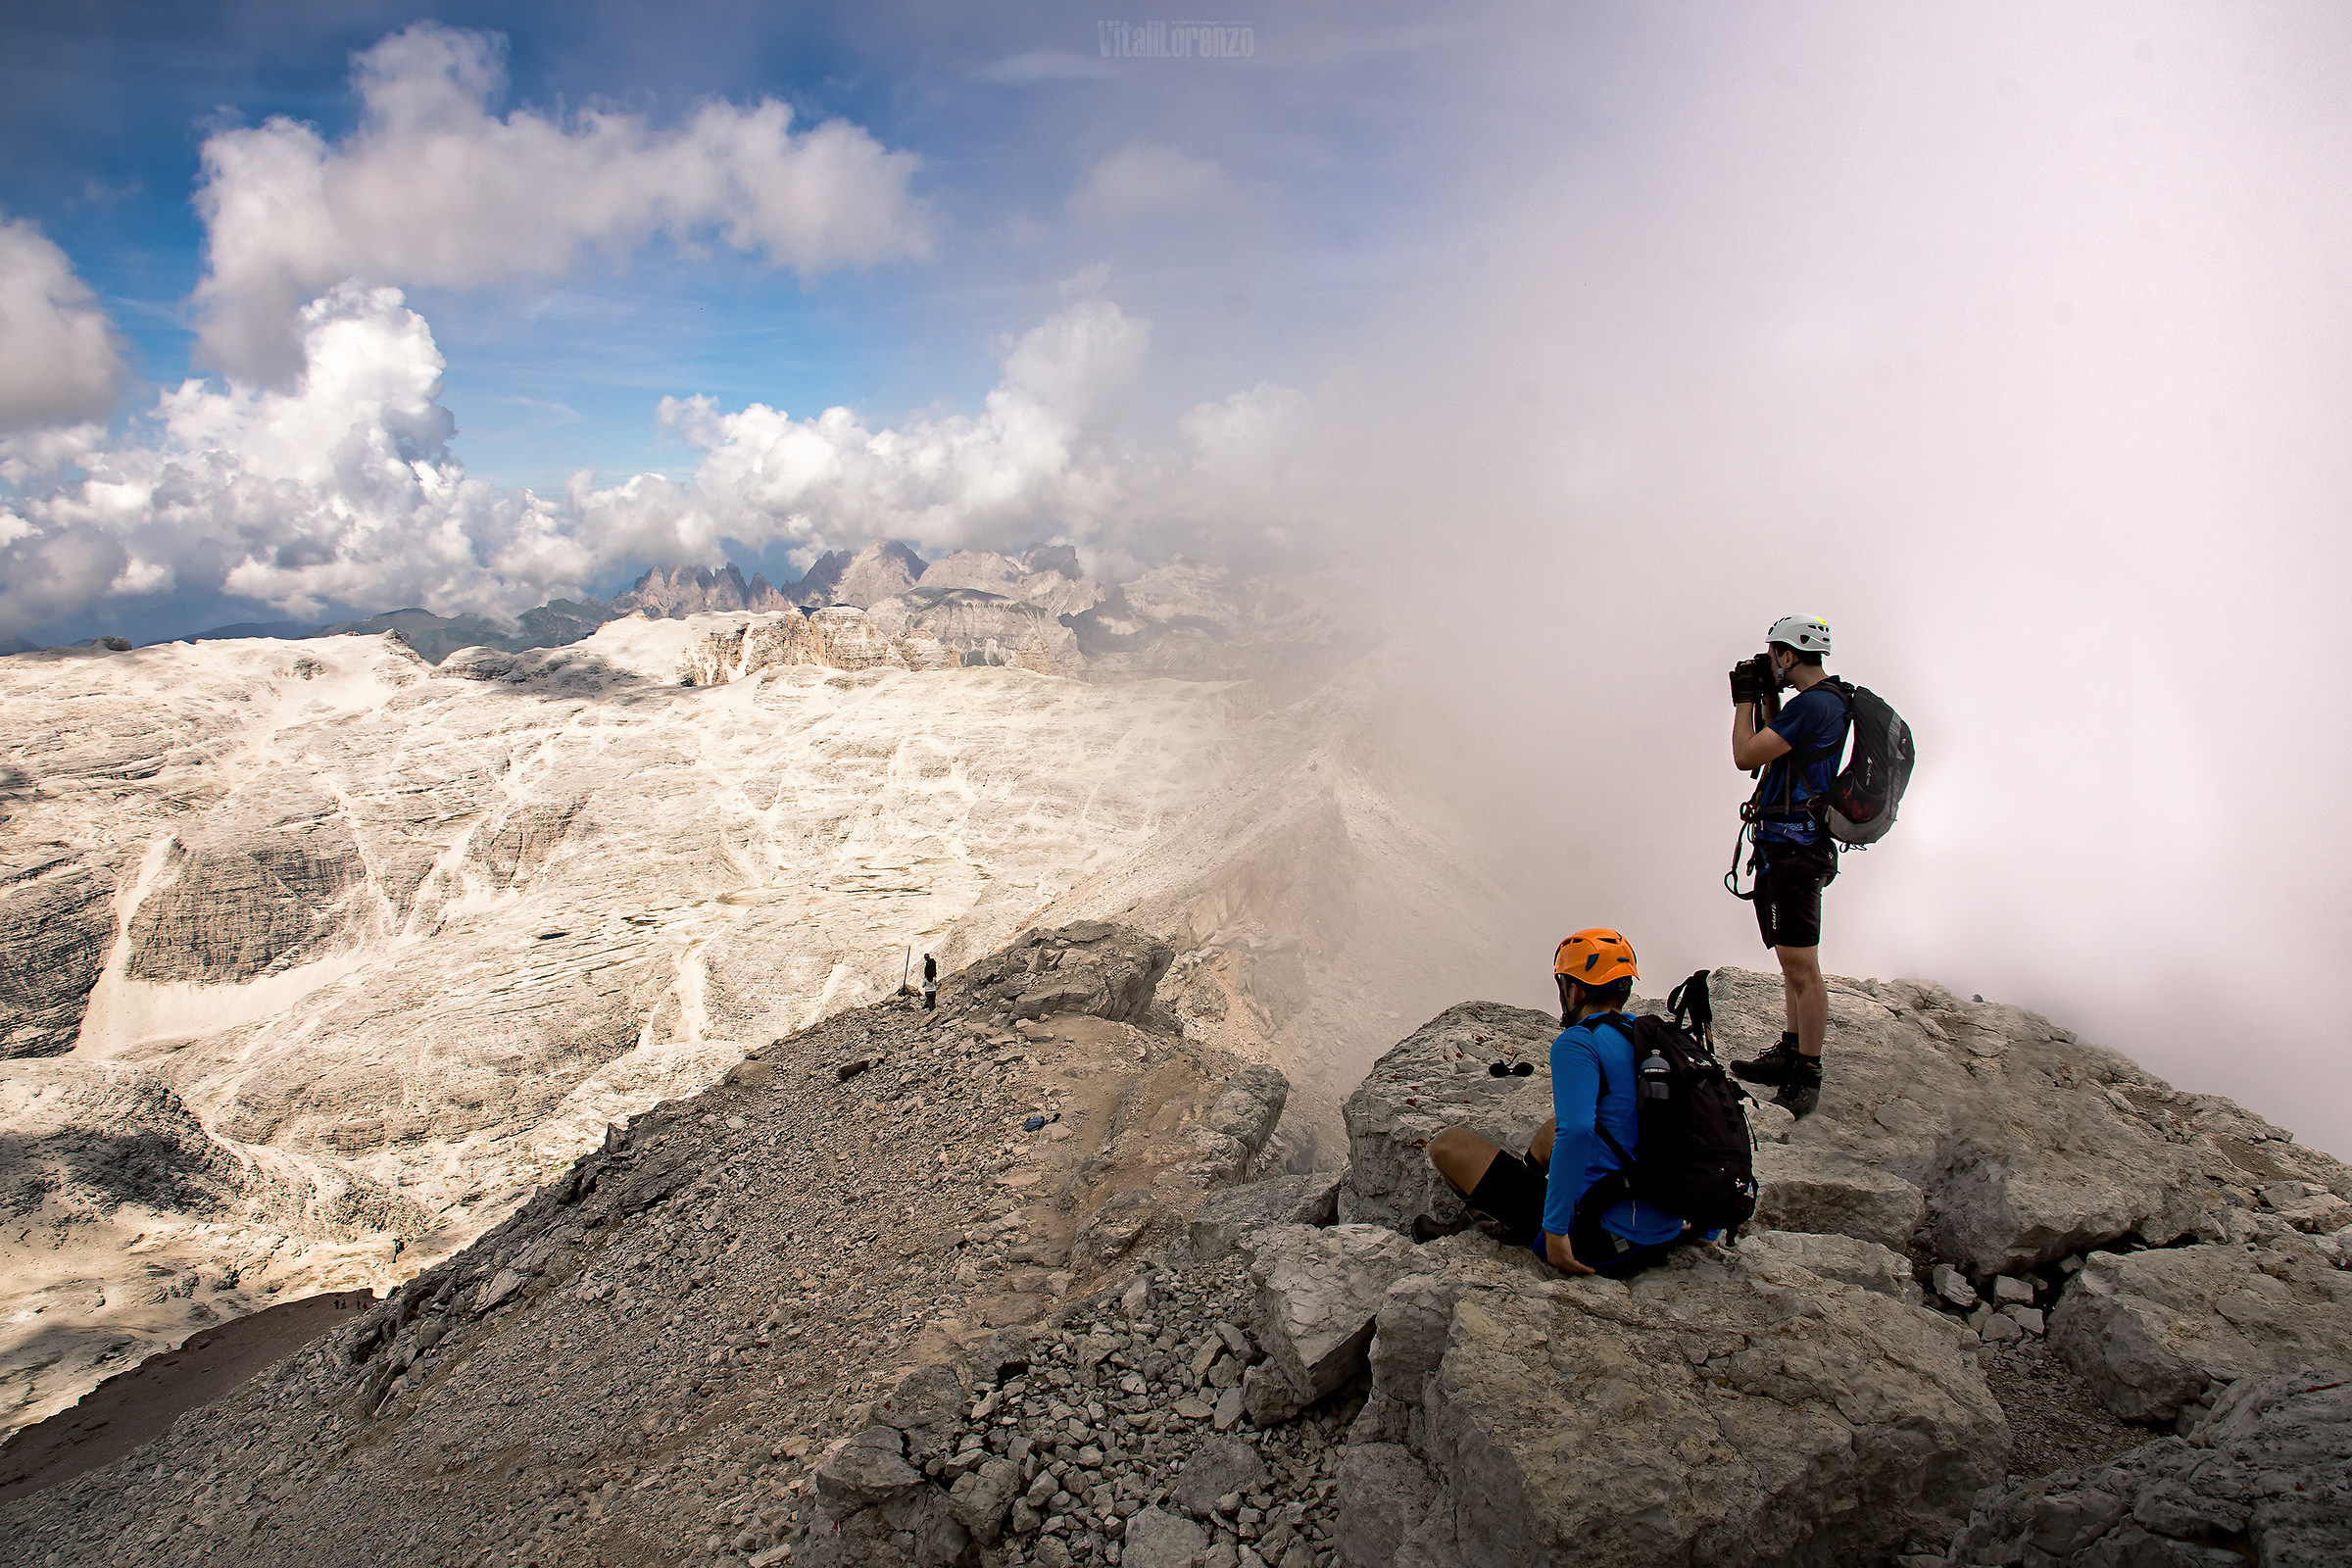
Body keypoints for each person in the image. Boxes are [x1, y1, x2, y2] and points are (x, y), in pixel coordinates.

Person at [1422, 930, 1690, 1279]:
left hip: (1602, 1241)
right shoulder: (1652, 1038)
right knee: (1551, 1132)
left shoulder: (1579, 1041)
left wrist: (1557, 1231)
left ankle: (1511, 1223)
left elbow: (1577, 1131)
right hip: (1665, 1230)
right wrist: (1708, 1224)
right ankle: (1500, 1214)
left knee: (1449, 1145)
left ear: (1574, 990)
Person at [1728, 613, 1848, 1117]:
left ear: (1789, 654)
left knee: (1802, 966)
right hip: (1795, 843)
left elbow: (1745, 756)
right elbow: (1774, 756)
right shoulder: (1824, 702)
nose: (1770, 661)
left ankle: (1807, 1071)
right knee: (1790, 962)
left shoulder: (1813, 705)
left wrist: (1742, 702)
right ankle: (1791, 1049)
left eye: (1774, 652)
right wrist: (1768, 701)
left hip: (1795, 847)